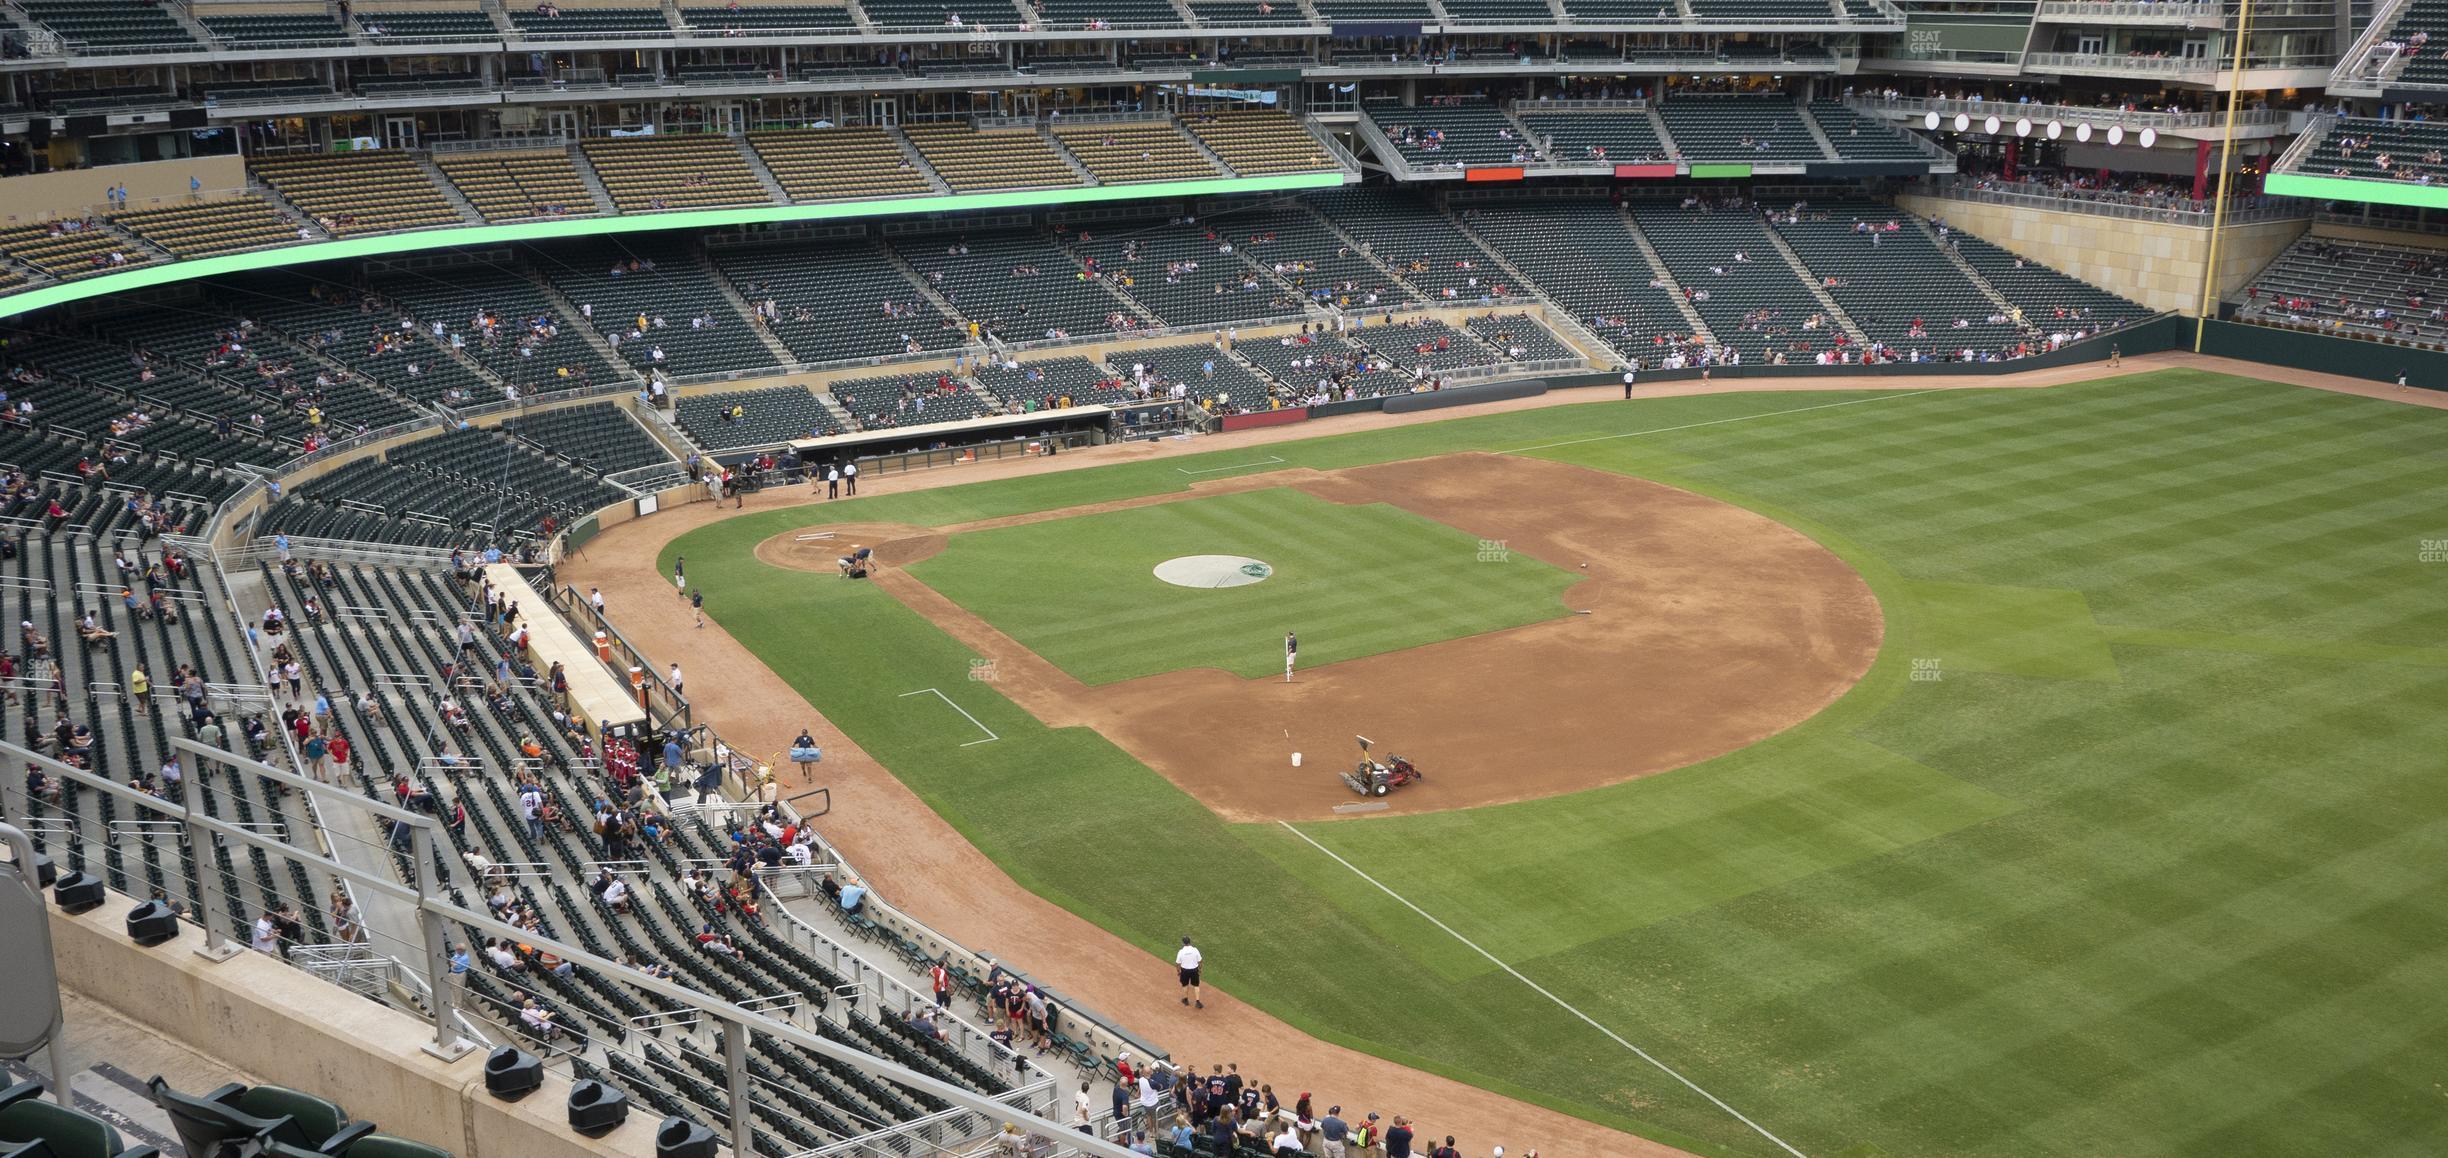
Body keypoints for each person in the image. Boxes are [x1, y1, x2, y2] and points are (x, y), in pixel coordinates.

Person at [1175, 935, 1204, 1009]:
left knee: (1185, 984)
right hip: (1194, 970)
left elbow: (1178, 963)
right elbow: (1200, 961)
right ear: (1190, 941)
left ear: (1183, 943)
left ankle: (1186, 1000)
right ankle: (1197, 1002)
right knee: (1196, 985)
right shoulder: (1195, 950)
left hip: (1184, 971)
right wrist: (1200, 969)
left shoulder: (1181, 952)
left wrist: (1178, 971)